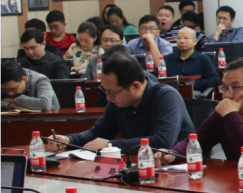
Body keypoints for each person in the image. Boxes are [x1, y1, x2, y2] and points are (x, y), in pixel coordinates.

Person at [46, 53, 193, 153]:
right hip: (136, 165)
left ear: (135, 86)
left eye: (112, 93)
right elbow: (98, 133)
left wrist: (110, 145)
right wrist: (68, 140)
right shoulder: (119, 101)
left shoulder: (167, 97)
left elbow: (162, 141)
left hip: (176, 169)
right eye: (105, 92)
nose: (108, 98)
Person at [164, 57, 243, 164]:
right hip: (238, 180)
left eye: (236, 87)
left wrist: (231, 116)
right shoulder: (222, 116)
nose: (227, 95)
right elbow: (196, 141)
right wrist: (172, 154)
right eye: (224, 88)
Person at [166, 27, 220, 95]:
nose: (181, 41)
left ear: (195, 42)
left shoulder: (203, 59)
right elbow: (157, 78)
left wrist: (192, 85)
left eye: (186, 38)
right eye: (179, 38)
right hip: (171, 93)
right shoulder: (169, 58)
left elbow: (215, 80)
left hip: (194, 93)